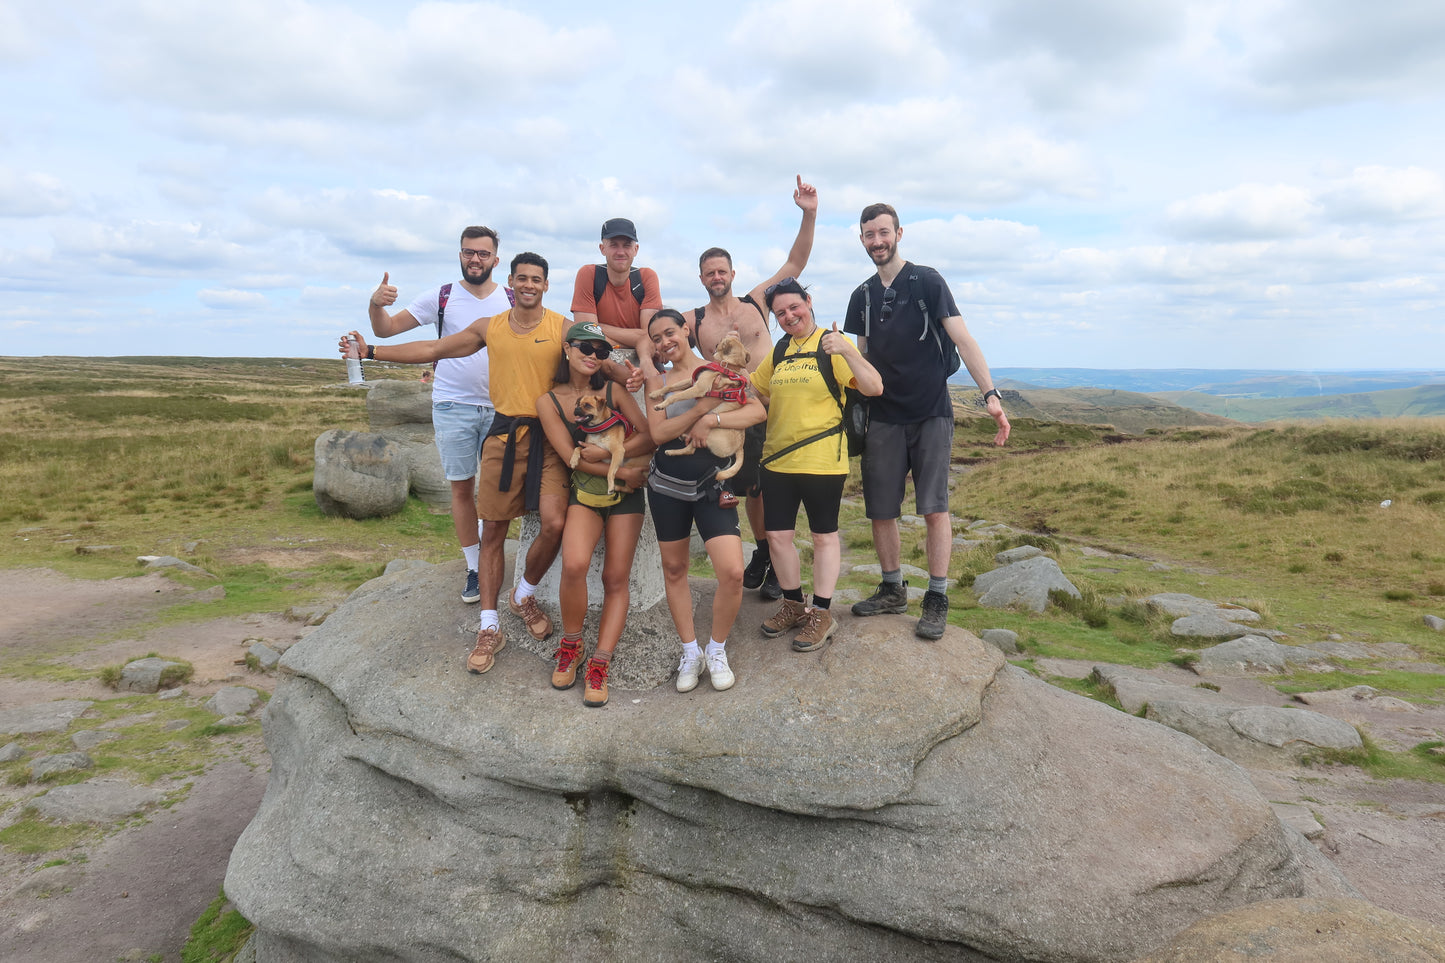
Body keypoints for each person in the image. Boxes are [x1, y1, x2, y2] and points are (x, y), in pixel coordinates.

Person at [343, 253, 642, 675]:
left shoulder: (559, 326)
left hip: (554, 436)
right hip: (506, 435)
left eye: (537, 279)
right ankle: (489, 625)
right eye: (522, 278)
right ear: (511, 280)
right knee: (494, 530)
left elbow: (594, 357)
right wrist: (372, 350)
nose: (529, 285)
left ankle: (523, 594)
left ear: (545, 284)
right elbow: (434, 347)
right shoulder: (491, 327)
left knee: (555, 523)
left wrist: (629, 376)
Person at [843, 203, 1011, 640]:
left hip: (930, 411)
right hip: (882, 416)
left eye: (883, 232)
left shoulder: (928, 281)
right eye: (868, 234)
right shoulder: (860, 296)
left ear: (899, 232)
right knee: (881, 510)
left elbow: (963, 338)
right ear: (861, 239)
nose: (876, 241)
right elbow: (860, 358)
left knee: (934, 507)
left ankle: (936, 597)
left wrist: (990, 395)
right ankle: (893, 587)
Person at [685, 175, 818, 604]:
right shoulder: (696, 321)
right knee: (738, 492)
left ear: (732, 273)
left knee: (771, 490)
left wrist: (809, 214)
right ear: (702, 278)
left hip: (772, 408)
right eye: (710, 272)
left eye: (722, 270)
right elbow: (654, 337)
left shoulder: (756, 301)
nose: (717, 277)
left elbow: (795, 264)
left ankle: (775, 563)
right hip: (732, 415)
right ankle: (762, 555)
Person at [367, 226, 511, 604]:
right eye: (468, 252)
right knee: (462, 488)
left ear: (496, 259)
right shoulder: (442, 297)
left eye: (482, 253)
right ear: (460, 255)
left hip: (503, 407)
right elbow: (386, 330)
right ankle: (475, 568)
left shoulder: (513, 298)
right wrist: (375, 305)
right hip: (453, 405)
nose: (475, 259)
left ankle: (494, 558)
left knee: (498, 492)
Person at [749, 280, 883, 652]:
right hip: (776, 459)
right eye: (781, 313)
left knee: (823, 537)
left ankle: (822, 612)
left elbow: (874, 387)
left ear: (808, 301)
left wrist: (848, 351)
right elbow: (756, 388)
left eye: (795, 307)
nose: (790, 316)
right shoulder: (779, 350)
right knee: (777, 537)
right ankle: (794, 604)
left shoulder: (831, 344)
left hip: (823, 460)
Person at [637, 309, 767, 693]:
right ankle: (690, 651)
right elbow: (659, 433)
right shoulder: (655, 380)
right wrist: (699, 410)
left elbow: (757, 409)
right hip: (667, 486)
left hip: (713, 483)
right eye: (656, 338)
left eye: (670, 332)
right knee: (674, 570)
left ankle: (717, 649)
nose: (664, 342)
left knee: (732, 572)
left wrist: (713, 421)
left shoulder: (721, 369)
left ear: (685, 331)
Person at [535, 321, 655, 707]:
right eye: (585, 347)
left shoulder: (613, 389)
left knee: (615, 576)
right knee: (574, 565)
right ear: (567, 349)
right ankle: (571, 645)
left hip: (625, 495)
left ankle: (600, 662)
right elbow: (573, 463)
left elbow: (648, 434)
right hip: (589, 491)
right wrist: (621, 472)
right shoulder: (549, 402)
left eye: (601, 351)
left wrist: (606, 455)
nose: (593, 355)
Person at [570, 218, 663, 349]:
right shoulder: (589, 274)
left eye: (627, 245)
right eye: (614, 245)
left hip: (641, 362)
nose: (620, 252)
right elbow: (587, 335)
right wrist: (638, 341)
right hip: (600, 360)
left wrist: (600, 327)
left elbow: (651, 337)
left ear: (635, 249)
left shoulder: (646, 277)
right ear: (602, 248)